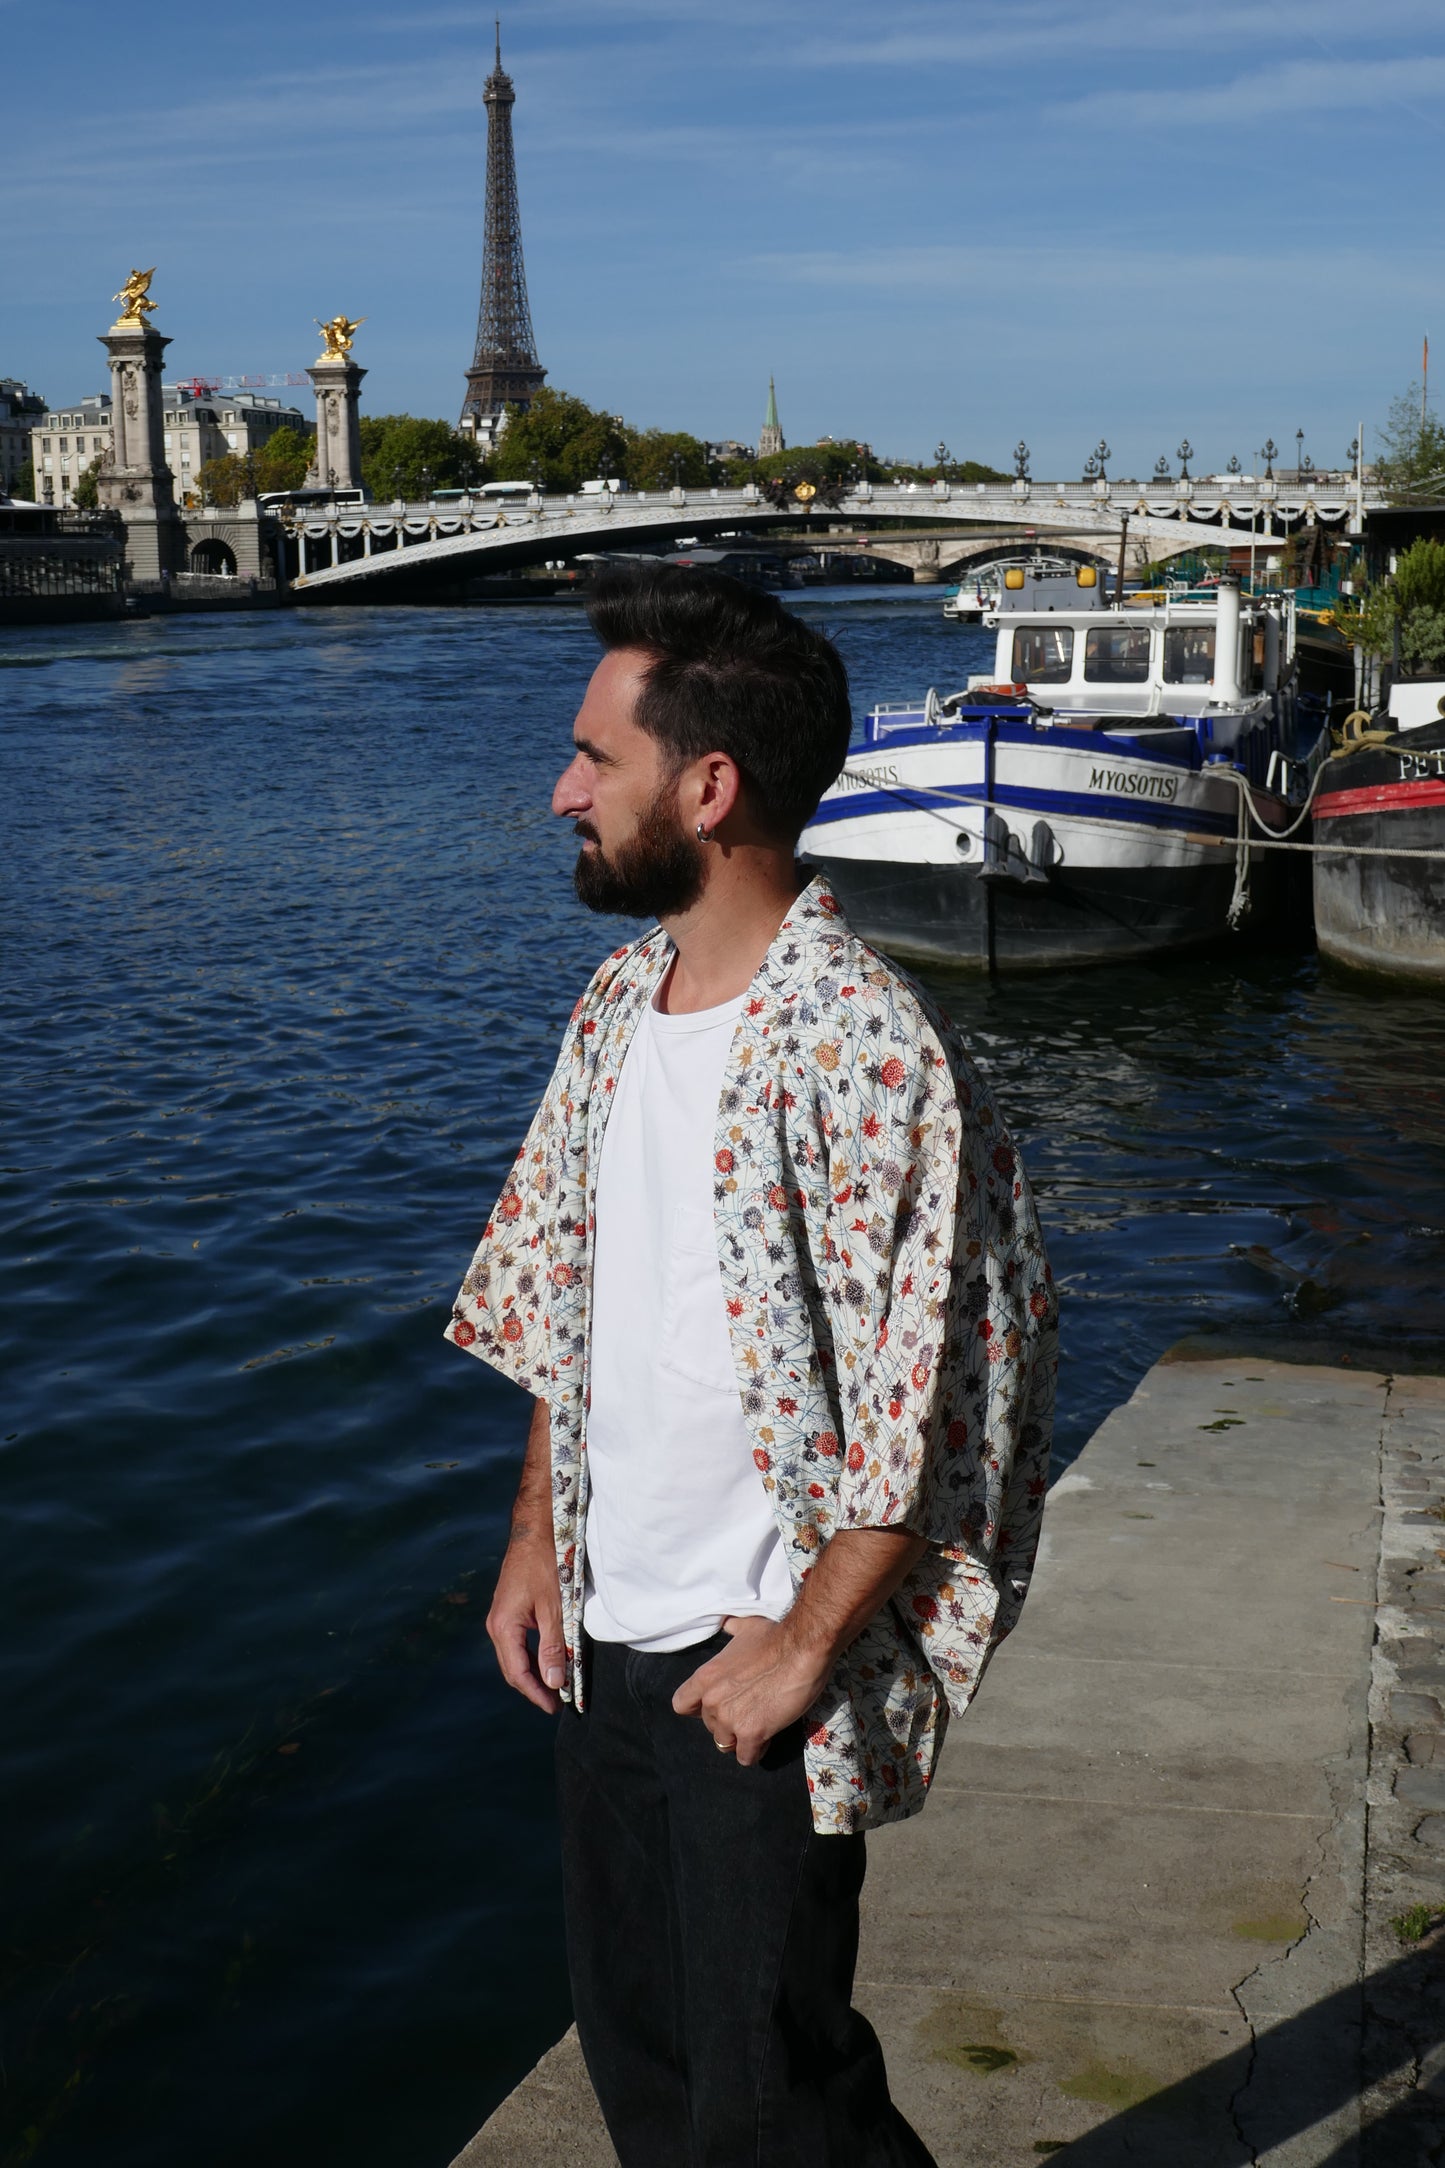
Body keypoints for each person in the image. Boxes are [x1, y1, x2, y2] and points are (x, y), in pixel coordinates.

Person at [446, 565, 1058, 2167]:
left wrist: (801, 1646)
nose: (563, 790)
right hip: (605, 1632)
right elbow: (561, 1301)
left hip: (753, 1662)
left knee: (773, 2107)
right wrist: (534, 1538)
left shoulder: (866, 1045)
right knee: (646, 2070)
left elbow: (950, 1393)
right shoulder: (615, 1004)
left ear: (707, 788)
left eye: (597, 758)